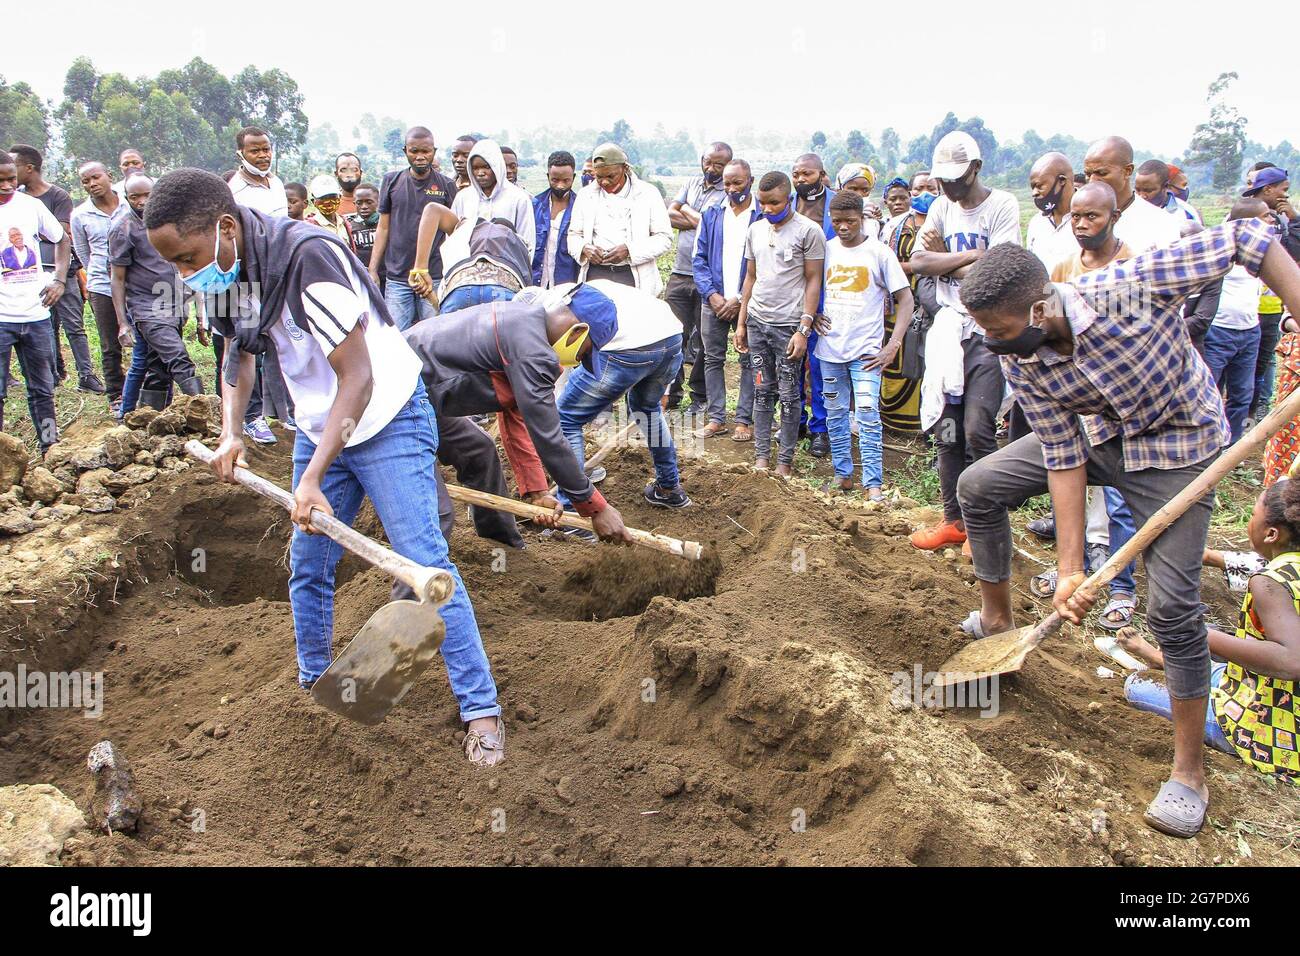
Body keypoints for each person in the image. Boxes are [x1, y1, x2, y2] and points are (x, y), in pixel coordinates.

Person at [953, 214, 1300, 837]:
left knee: (1171, 609)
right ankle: (1000, 624)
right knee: (978, 486)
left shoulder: (1129, 288)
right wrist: (1068, 571)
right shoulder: (1022, 358)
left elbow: (1247, 239)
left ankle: (1189, 772)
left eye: (997, 331)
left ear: (1038, 310)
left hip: (1181, 452)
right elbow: (1062, 455)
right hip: (1102, 440)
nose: (992, 343)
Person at [146, 167, 505, 766]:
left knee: (425, 563)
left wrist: (312, 476)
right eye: (177, 267)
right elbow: (238, 356)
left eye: (187, 258)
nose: (187, 274)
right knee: (309, 561)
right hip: (319, 423)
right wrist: (231, 434)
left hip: (385, 414)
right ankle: (315, 681)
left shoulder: (308, 256)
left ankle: (481, 709)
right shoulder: (228, 271)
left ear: (225, 227)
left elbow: (358, 376)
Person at [402, 284, 637, 543]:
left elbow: (515, 415)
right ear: (578, 332)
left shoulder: (523, 323)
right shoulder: (534, 353)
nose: (578, 361)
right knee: (436, 513)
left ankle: (501, 548)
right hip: (399, 398)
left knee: (478, 450)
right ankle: (414, 580)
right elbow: (549, 438)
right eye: (583, 353)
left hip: (423, 398)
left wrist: (537, 493)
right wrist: (595, 507)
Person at [1118, 478, 1300, 788]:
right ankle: (1162, 658)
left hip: (1271, 732)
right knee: (1214, 667)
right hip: (1249, 684)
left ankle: (1163, 663)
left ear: (1271, 533)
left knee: (1133, 686)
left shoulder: (1270, 582)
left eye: (1253, 513)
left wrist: (1200, 636)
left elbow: (1291, 660)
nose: (1250, 521)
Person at [1032, 182, 1140, 631]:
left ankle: (1121, 586)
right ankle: (1073, 567)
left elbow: (1129, 336)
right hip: (1076, 394)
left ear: (1114, 217)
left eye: (1092, 216)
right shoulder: (1063, 266)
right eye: (1075, 216)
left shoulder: (1130, 267)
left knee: (1118, 500)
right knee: (1074, 484)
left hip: (1122, 402)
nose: (1081, 224)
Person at [908, 131, 1021, 551]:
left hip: (988, 335)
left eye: (956, 178)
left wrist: (949, 263)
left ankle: (986, 526)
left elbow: (1001, 275)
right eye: (943, 180)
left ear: (976, 168)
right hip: (949, 332)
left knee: (978, 429)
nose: (949, 187)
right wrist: (973, 257)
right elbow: (919, 263)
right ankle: (954, 521)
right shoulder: (940, 207)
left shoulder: (1002, 206)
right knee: (948, 429)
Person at [553, 280, 690, 510]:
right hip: (671, 336)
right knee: (647, 409)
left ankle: (571, 511)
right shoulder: (589, 288)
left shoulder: (554, 308)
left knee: (566, 419)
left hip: (625, 347)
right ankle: (669, 488)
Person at [819, 192, 913, 500]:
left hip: (867, 354)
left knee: (869, 414)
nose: (843, 227)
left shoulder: (879, 253)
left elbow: (906, 299)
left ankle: (873, 483)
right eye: (837, 221)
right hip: (829, 351)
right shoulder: (825, 250)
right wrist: (812, 315)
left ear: (862, 218)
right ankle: (842, 475)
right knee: (835, 414)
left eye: (850, 221)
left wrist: (892, 346)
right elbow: (809, 287)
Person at [733, 171, 827, 476]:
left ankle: (784, 462)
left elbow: (814, 282)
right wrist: (742, 322)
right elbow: (750, 277)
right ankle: (761, 456)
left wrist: (804, 329)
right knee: (762, 391)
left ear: (788, 199)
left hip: (789, 328)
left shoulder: (809, 232)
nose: (768, 209)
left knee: (789, 396)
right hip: (758, 323)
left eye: (774, 203)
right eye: (762, 203)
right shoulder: (756, 230)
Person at [108, 173, 205, 410]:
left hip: (175, 303)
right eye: (135, 197)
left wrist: (200, 312)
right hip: (146, 307)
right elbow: (117, 277)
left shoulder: (173, 221)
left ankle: (148, 421)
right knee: (178, 358)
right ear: (126, 198)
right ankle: (209, 411)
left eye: (147, 195)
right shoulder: (124, 228)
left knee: (158, 368)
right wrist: (122, 322)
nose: (142, 201)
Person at [9, 144, 101, 392]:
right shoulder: (13, 199)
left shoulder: (57, 196)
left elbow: (60, 234)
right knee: (45, 327)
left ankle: (87, 375)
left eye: (13, 167)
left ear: (29, 168)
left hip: (62, 271)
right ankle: (51, 375)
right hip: (28, 276)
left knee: (74, 326)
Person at [0, 151, 68, 454]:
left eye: (11, 178)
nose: (7, 185)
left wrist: (60, 280)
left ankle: (49, 444)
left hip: (35, 314)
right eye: (0, 180)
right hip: (2, 316)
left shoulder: (31, 206)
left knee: (42, 388)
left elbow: (61, 238)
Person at [692, 158, 760, 442]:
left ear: (751, 181)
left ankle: (744, 419)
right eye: (728, 183)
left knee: (749, 360)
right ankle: (717, 418)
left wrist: (740, 299)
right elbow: (699, 259)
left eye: (738, 183)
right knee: (712, 358)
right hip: (715, 301)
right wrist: (713, 295)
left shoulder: (762, 216)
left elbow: (763, 266)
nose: (732, 189)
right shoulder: (711, 214)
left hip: (750, 302)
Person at [370, 126, 458, 329]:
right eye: (414, 151)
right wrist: (373, 269)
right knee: (398, 337)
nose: (420, 156)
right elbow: (383, 228)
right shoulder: (392, 181)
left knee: (434, 335)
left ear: (434, 152)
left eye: (425, 151)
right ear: (405, 151)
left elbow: (453, 233)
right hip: (397, 277)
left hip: (434, 275)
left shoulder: (446, 186)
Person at [665, 142, 731, 412]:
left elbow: (713, 223)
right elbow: (669, 213)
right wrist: (700, 219)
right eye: (708, 162)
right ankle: (672, 392)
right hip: (679, 273)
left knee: (705, 342)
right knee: (672, 335)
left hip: (708, 278)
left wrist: (690, 214)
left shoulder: (728, 190)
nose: (712, 168)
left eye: (719, 164)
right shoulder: (691, 182)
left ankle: (700, 397)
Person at [1202, 200, 1269, 443]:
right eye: (1265, 216)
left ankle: (1232, 446)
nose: (1271, 220)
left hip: (1250, 332)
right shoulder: (1220, 251)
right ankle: (1206, 445)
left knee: (1242, 394)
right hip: (1219, 331)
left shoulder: (1264, 252)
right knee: (1208, 392)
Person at [567, 143, 672, 293]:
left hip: (632, 274)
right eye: (599, 177)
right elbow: (573, 235)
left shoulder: (648, 194)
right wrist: (584, 248)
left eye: (611, 176)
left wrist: (629, 250)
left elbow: (664, 238)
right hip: (595, 275)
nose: (604, 182)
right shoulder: (585, 195)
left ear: (625, 168)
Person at [1244, 164, 1300, 421]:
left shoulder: (1282, 221)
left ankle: (1255, 414)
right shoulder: (1242, 218)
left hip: (1272, 309)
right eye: (1283, 190)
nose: (1286, 196)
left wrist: (1294, 221)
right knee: (1245, 368)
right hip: (1244, 310)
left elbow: (1293, 257)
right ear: (1268, 189)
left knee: (1263, 363)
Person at [70, 161, 126, 409]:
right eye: (85, 181)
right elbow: (84, 253)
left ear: (109, 176)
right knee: (109, 343)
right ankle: (116, 395)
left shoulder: (130, 203)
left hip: (135, 284)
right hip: (102, 286)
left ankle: (148, 390)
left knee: (145, 337)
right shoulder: (80, 215)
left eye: (96, 177)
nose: (92, 184)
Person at [410, 209, 532, 313]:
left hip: (461, 287)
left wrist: (420, 269)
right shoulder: (519, 242)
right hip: (503, 290)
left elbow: (432, 209)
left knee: (449, 339)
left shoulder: (468, 228)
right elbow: (527, 295)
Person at [1083, 136, 1181, 253]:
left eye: (1102, 173)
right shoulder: (1078, 222)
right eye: (1088, 174)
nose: (1092, 181)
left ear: (1127, 171)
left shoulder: (1161, 224)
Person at [449, 139, 535, 259]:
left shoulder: (518, 198)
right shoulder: (463, 197)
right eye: (475, 168)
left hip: (506, 268)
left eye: (486, 167)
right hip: (468, 270)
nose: (480, 173)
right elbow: (453, 238)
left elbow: (527, 242)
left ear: (497, 166)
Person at [531, 151, 580, 289]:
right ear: (548, 177)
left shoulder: (580, 208)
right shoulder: (535, 205)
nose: (560, 185)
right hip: (536, 282)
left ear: (573, 178)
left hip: (567, 286)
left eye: (566, 180)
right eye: (555, 180)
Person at [1024, 152, 1078, 273]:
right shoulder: (1037, 223)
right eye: (1032, 188)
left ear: (1061, 181)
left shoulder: (1087, 220)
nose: (1034, 193)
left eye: (1039, 186)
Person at [227, 127, 288, 217]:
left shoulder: (276, 182)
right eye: (255, 151)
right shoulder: (235, 190)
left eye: (266, 150)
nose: (263, 155)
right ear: (240, 155)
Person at [1135, 159, 1202, 234]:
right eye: (1137, 190)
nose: (1142, 196)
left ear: (1165, 186)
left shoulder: (1185, 213)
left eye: (1148, 191)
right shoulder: (1130, 210)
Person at [833, 163, 883, 239]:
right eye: (853, 189)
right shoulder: (832, 214)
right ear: (841, 188)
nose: (859, 194)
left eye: (865, 190)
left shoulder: (872, 214)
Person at [306, 175, 355, 248]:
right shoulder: (309, 227)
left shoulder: (344, 223)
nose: (328, 201)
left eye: (332, 196)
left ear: (339, 197)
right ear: (314, 201)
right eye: (323, 198)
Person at [345, 183, 380, 271]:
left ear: (378, 202)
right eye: (359, 203)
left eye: (369, 202)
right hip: (360, 273)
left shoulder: (385, 225)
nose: (364, 207)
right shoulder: (349, 226)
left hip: (385, 275)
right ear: (354, 203)